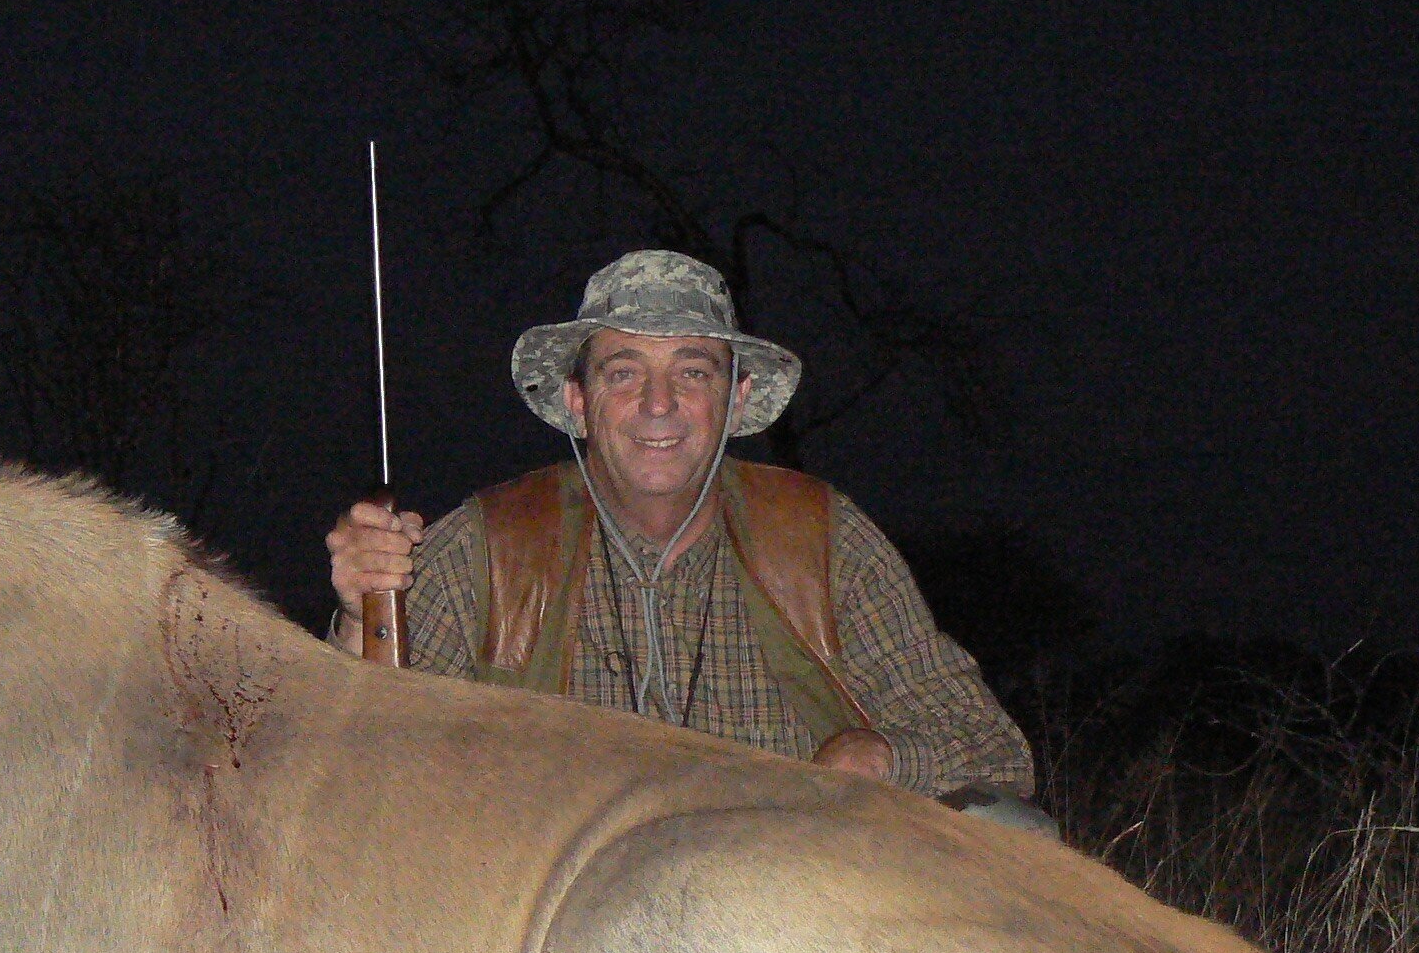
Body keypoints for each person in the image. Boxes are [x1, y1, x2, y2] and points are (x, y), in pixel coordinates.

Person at [326, 251, 1043, 819]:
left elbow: (993, 751)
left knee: (1015, 832)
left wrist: (872, 758)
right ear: (577, 401)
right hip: (559, 937)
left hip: (793, 905)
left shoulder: (820, 536)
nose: (659, 404)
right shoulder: (490, 543)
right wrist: (359, 621)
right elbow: (364, 757)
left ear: (735, 400)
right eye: (623, 372)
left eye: (692, 372)